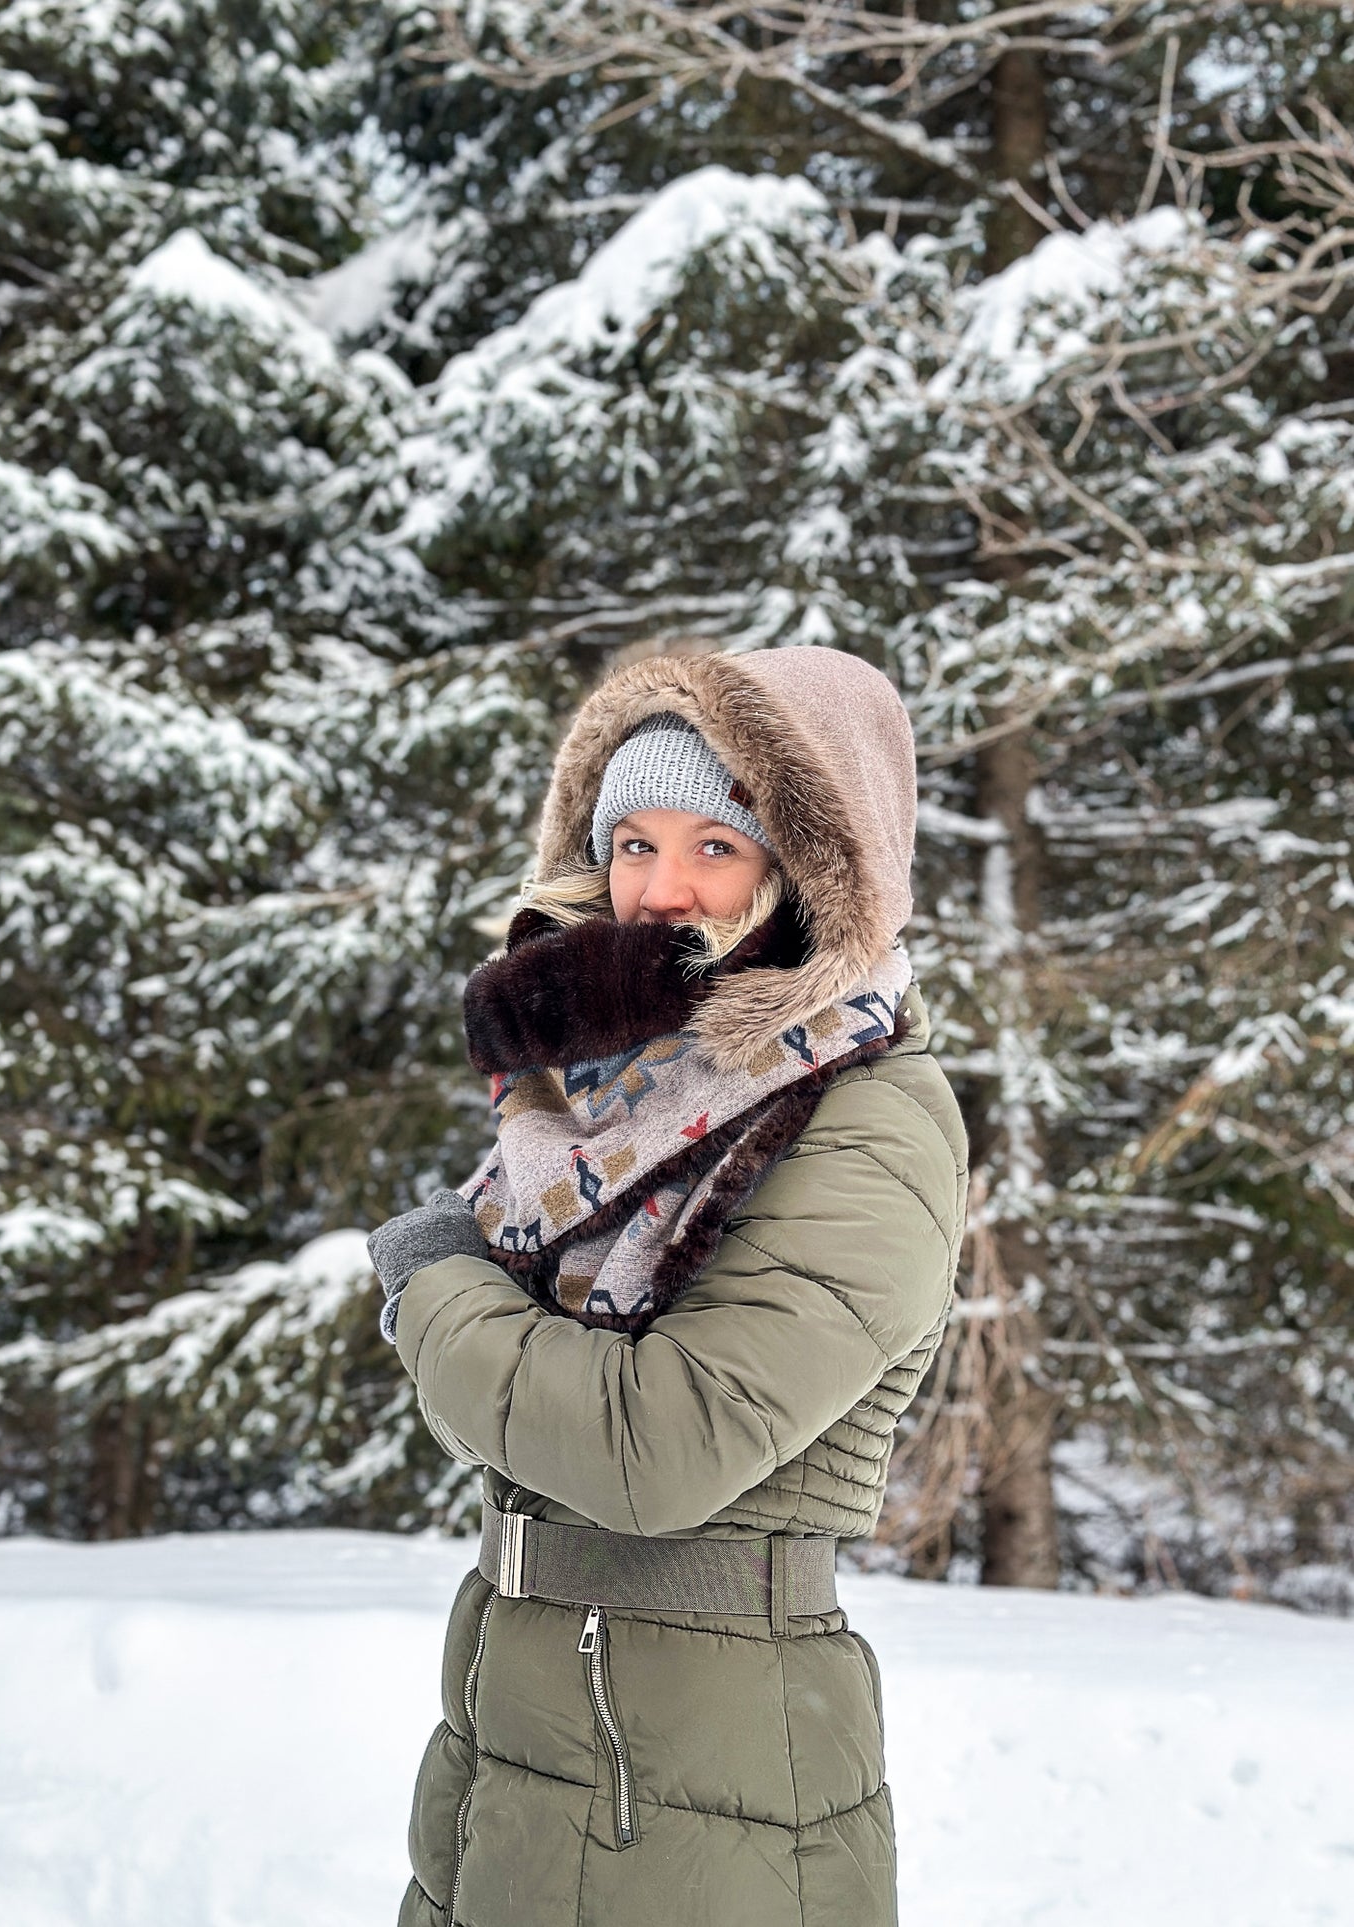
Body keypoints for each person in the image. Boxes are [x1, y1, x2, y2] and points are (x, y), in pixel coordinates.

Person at [368, 643, 969, 1927]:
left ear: (807, 871)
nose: (657, 890)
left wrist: (434, 1285)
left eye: (715, 847)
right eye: (630, 843)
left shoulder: (869, 1122)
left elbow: (651, 1452)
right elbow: (519, 1428)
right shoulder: (603, 1111)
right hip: (524, 1727)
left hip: (704, 1775)